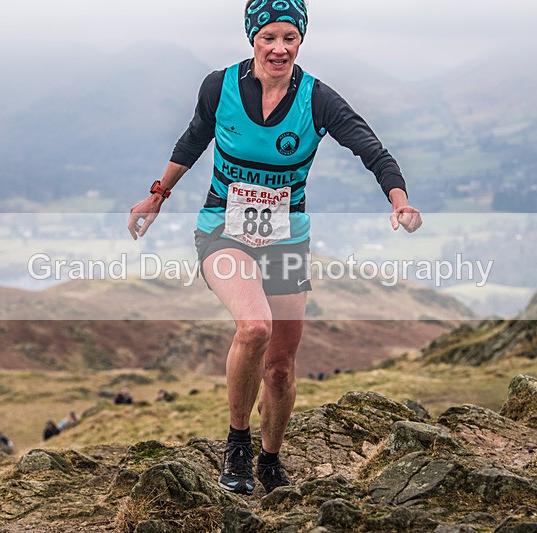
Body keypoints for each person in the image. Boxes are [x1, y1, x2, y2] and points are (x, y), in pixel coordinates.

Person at [127, 0, 422, 496]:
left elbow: (372, 149)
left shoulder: (318, 99)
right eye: (269, 37)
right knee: (255, 325)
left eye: (290, 37)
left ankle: (269, 458)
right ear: (253, 39)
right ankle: (237, 444)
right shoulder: (219, 86)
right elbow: (195, 137)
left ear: (301, 40)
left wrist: (400, 201)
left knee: (282, 367)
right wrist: (158, 195)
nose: (279, 48)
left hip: (286, 239)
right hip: (223, 229)